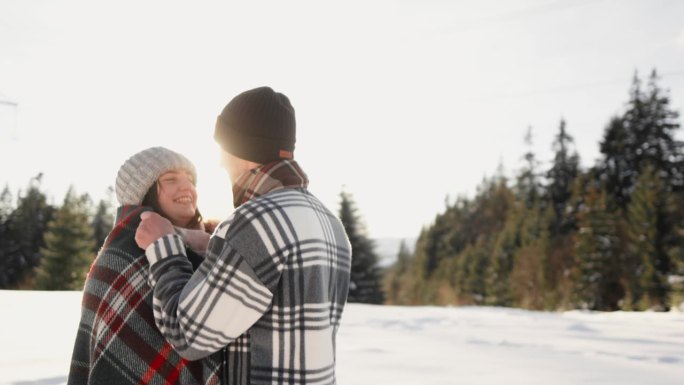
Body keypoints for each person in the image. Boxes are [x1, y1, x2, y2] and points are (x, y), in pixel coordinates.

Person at [135, 86, 352, 385]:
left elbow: (188, 335)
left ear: (241, 149)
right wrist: (216, 244)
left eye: (222, 149)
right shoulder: (327, 220)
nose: (221, 162)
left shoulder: (254, 223)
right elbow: (283, 286)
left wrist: (164, 248)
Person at [67, 146, 221, 385]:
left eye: (190, 179)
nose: (186, 186)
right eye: (170, 180)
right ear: (144, 192)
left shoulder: (218, 244)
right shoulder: (122, 254)